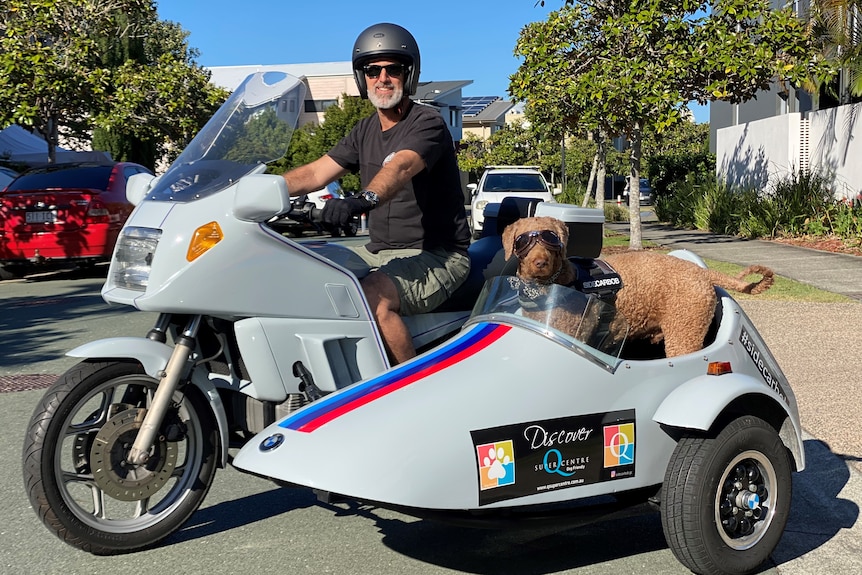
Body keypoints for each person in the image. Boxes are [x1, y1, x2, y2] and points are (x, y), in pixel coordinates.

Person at [282, 22, 471, 365]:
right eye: (372, 70)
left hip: (438, 255)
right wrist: (259, 190)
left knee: (373, 296)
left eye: (392, 69)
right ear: (362, 77)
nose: (382, 78)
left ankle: (405, 391)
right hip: (379, 252)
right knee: (306, 279)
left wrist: (361, 200)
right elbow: (315, 172)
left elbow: (399, 167)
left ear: (408, 73)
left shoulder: (427, 123)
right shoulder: (364, 130)